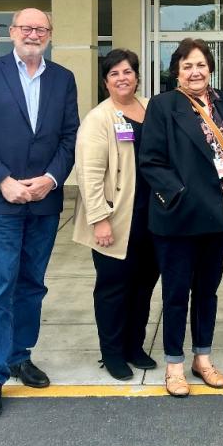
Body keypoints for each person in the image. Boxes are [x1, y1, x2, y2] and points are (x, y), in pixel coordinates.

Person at [0, 8, 79, 419]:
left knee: (32, 284)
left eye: (41, 28)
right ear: (11, 33)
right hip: (1, 200)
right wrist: (4, 181)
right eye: (26, 28)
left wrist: (50, 179)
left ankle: (19, 355)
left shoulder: (62, 78)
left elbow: (69, 137)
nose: (33, 34)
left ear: (49, 34)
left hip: (44, 200)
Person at [139, 38, 223, 397]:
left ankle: (203, 358)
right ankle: (174, 364)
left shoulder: (222, 102)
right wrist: (179, 193)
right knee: (175, 292)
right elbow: (151, 160)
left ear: (210, 68)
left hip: (217, 214)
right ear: (176, 72)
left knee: (207, 291)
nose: (195, 71)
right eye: (187, 66)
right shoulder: (164, 105)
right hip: (179, 216)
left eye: (200, 64)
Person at [72, 49, 158, 381]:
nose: (123, 78)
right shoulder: (99, 118)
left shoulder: (151, 108)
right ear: (106, 81)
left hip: (153, 218)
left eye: (128, 72)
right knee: (113, 288)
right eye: (114, 74)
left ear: (137, 75)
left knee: (144, 286)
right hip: (116, 219)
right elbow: (89, 175)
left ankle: (135, 346)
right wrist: (100, 220)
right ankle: (112, 353)